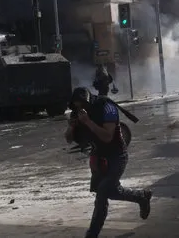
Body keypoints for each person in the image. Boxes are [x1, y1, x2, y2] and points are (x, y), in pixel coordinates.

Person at [65, 87, 152, 238]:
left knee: (103, 192)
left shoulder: (106, 107)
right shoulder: (78, 112)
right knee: (110, 191)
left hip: (117, 156)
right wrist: (72, 126)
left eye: (82, 105)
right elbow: (68, 139)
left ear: (88, 102)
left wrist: (88, 122)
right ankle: (141, 196)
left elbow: (107, 137)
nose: (80, 109)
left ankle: (91, 234)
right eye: (77, 105)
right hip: (98, 157)